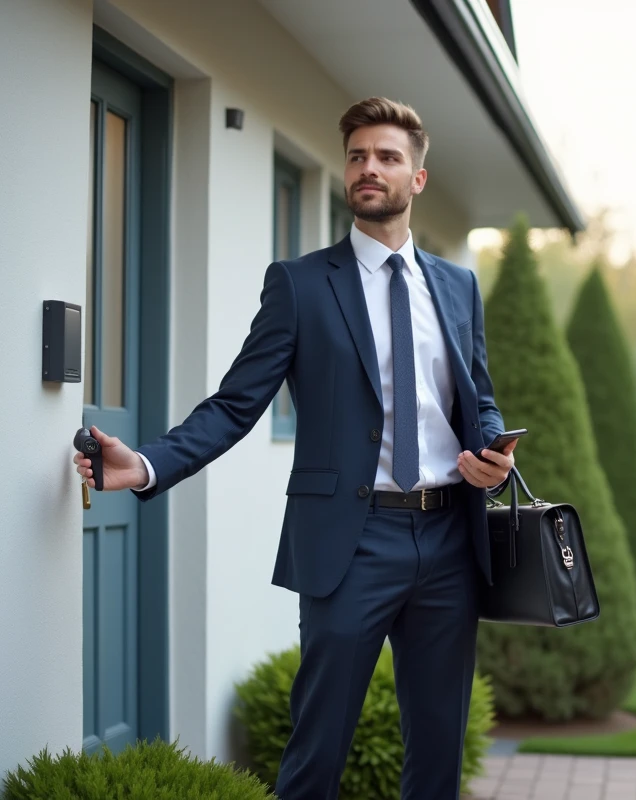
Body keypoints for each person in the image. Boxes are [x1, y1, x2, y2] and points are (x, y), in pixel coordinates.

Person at [73, 96, 517, 799]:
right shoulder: (302, 284)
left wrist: (494, 448)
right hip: (351, 540)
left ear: (417, 179)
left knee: (438, 750)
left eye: (387, 157)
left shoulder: (457, 287)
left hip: (449, 538)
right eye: (358, 156)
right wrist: (151, 462)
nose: (369, 168)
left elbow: (477, 396)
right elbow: (235, 404)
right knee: (317, 748)